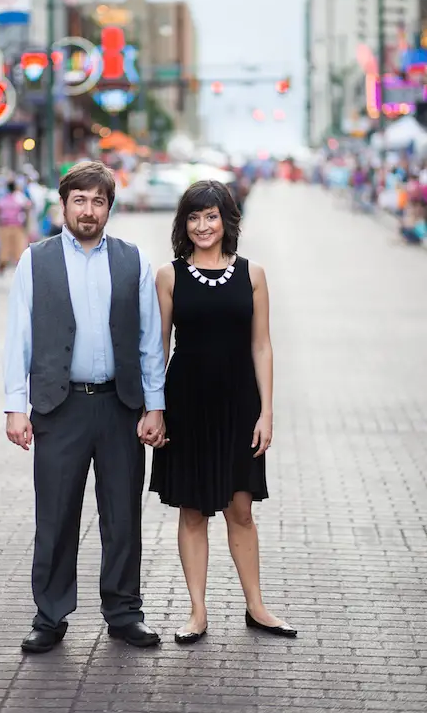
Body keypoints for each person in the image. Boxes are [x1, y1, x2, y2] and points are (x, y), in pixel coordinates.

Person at [3, 161, 167, 653]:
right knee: (55, 516)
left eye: (98, 201)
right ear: (64, 204)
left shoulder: (132, 260)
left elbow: (149, 341)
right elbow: (19, 337)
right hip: (59, 407)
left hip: (120, 406)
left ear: (109, 208)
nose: (88, 210)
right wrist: (16, 406)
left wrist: (154, 406)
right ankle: (50, 616)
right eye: (80, 200)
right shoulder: (36, 260)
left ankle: (123, 613)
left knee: (122, 517)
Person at [150, 180, 297, 643]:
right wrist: (155, 409)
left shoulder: (253, 274)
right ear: (183, 224)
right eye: (193, 217)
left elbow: (262, 345)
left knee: (241, 508)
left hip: (239, 405)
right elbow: (156, 349)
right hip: (186, 404)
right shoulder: (169, 276)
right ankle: (197, 612)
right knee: (193, 510)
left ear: (226, 220)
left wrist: (266, 412)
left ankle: (256, 606)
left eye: (210, 216)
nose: (202, 226)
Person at [0, 180, 29, 275]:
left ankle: (1, 266)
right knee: (18, 248)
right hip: (17, 226)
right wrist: (25, 223)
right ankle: (19, 271)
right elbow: (27, 207)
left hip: (5, 226)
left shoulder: (2, 200)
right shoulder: (19, 198)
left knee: (4, 248)